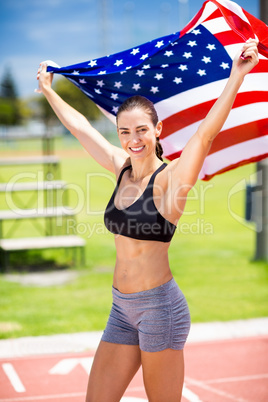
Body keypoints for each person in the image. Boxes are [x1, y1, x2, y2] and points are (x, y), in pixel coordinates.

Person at [37, 38, 259, 402]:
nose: (132, 139)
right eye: (124, 131)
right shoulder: (120, 167)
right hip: (121, 309)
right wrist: (48, 90)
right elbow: (80, 128)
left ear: (157, 131)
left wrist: (236, 75)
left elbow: (205, 135)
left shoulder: (171, 180)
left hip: (160, 310)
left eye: (141, 129)